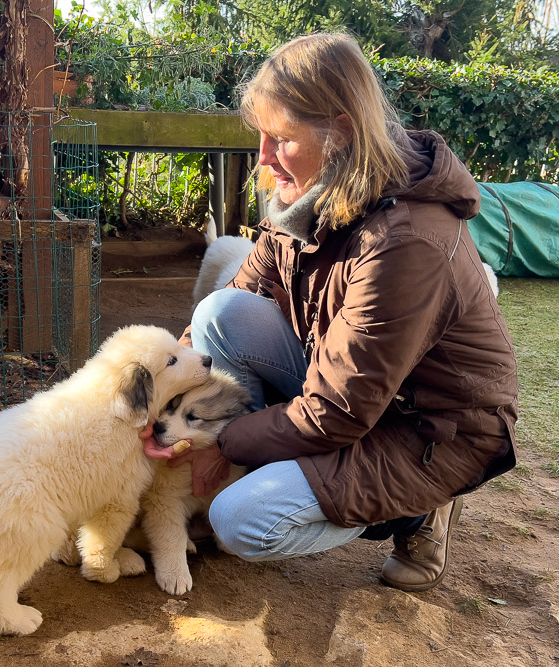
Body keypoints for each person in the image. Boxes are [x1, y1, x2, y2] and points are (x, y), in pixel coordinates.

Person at [142, 32, 518, 592]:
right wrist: (173, 374)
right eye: (261, 138)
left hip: (430, 426)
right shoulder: (313, 193)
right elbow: (246, 285)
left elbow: (335, 413)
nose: (265, 160)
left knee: (242, 521)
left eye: (281, 139)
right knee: (220, 310)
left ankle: (418, 511)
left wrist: (223, 441)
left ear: (340, 131)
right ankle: (268, 466)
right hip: (355, 384)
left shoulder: (405, 241)